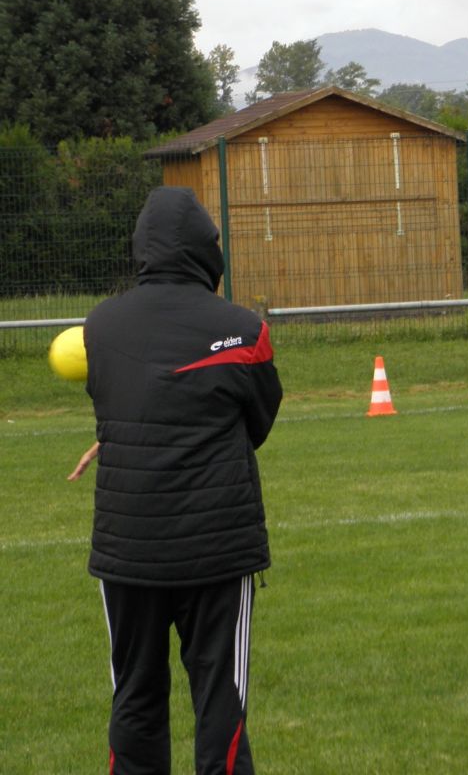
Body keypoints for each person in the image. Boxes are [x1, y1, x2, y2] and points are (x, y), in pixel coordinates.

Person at [67, 186, 282, 773]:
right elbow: (259, 422)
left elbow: (120, 407)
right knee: (220, 701)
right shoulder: (244, 330)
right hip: (217, 546)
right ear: (208, 248)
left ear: (143, 247)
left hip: (128, 546)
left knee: (134, 694)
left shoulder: (99, 326)